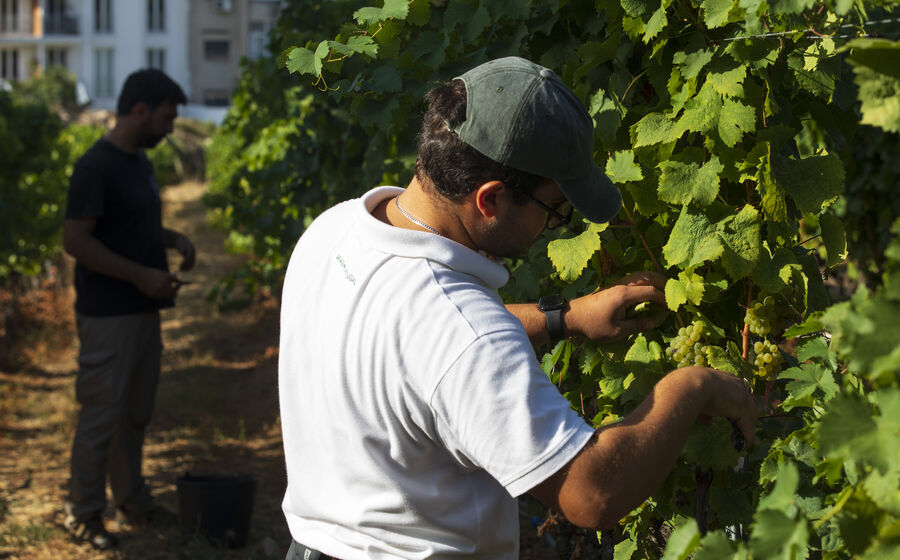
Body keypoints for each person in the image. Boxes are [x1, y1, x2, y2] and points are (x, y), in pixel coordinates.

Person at [277, 56, 756, 559]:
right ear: (491, 199)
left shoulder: (336, 231)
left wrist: (561, 317)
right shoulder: (463, 332)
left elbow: (421, 352)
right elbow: (591, 495)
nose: (557, 225)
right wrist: (690, 387)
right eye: (555, 210)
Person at [61, 68, 194, 550]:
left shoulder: (139, 162)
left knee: (133, 414)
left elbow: (130, 226)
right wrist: (140, 275)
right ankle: (83, 512)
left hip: (142, 310)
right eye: (166, 117)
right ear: (140, 111)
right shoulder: (95, 166)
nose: (171, 128)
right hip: (108, 316)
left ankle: (132, 498)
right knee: (101, 415)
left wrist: (173, 239)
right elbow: (75, 240)